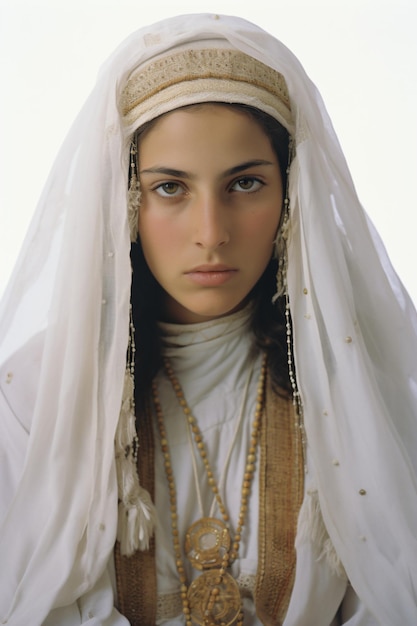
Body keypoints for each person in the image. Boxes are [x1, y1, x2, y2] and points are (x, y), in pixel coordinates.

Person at [0, 12, 416, 626]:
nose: (211, 234)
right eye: (171, 188)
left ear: (290, 194)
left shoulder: (357, 387)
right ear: (125, 199)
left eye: (245, 183)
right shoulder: (35, 395)